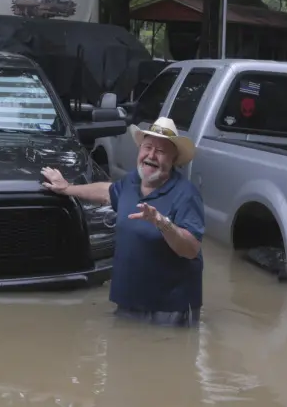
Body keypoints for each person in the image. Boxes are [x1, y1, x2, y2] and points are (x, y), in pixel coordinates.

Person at [41, 117, 205, 326]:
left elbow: (190, 249)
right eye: (147, 147)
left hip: (170, 309)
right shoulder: (131, 182)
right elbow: (106, 192)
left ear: (173, 160)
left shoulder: (186, 194)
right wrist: (67, 189)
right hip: (128, 302)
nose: (151, 155)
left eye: (161, 151)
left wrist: (161, 223)